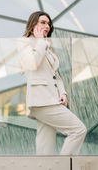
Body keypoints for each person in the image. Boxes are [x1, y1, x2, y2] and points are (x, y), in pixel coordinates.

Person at [18, 11, 87, 155]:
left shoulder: (46, 47)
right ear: (33, 24)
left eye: (48, 24)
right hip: (41, 100)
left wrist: (63, 92)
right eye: (43, 22)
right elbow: (33, 63)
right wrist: (41, 41)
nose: (47, 26)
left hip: (50, 99)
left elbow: (55, 75)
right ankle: (63, 166)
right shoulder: (25, 42)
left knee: (45, 149)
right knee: (78, 130)